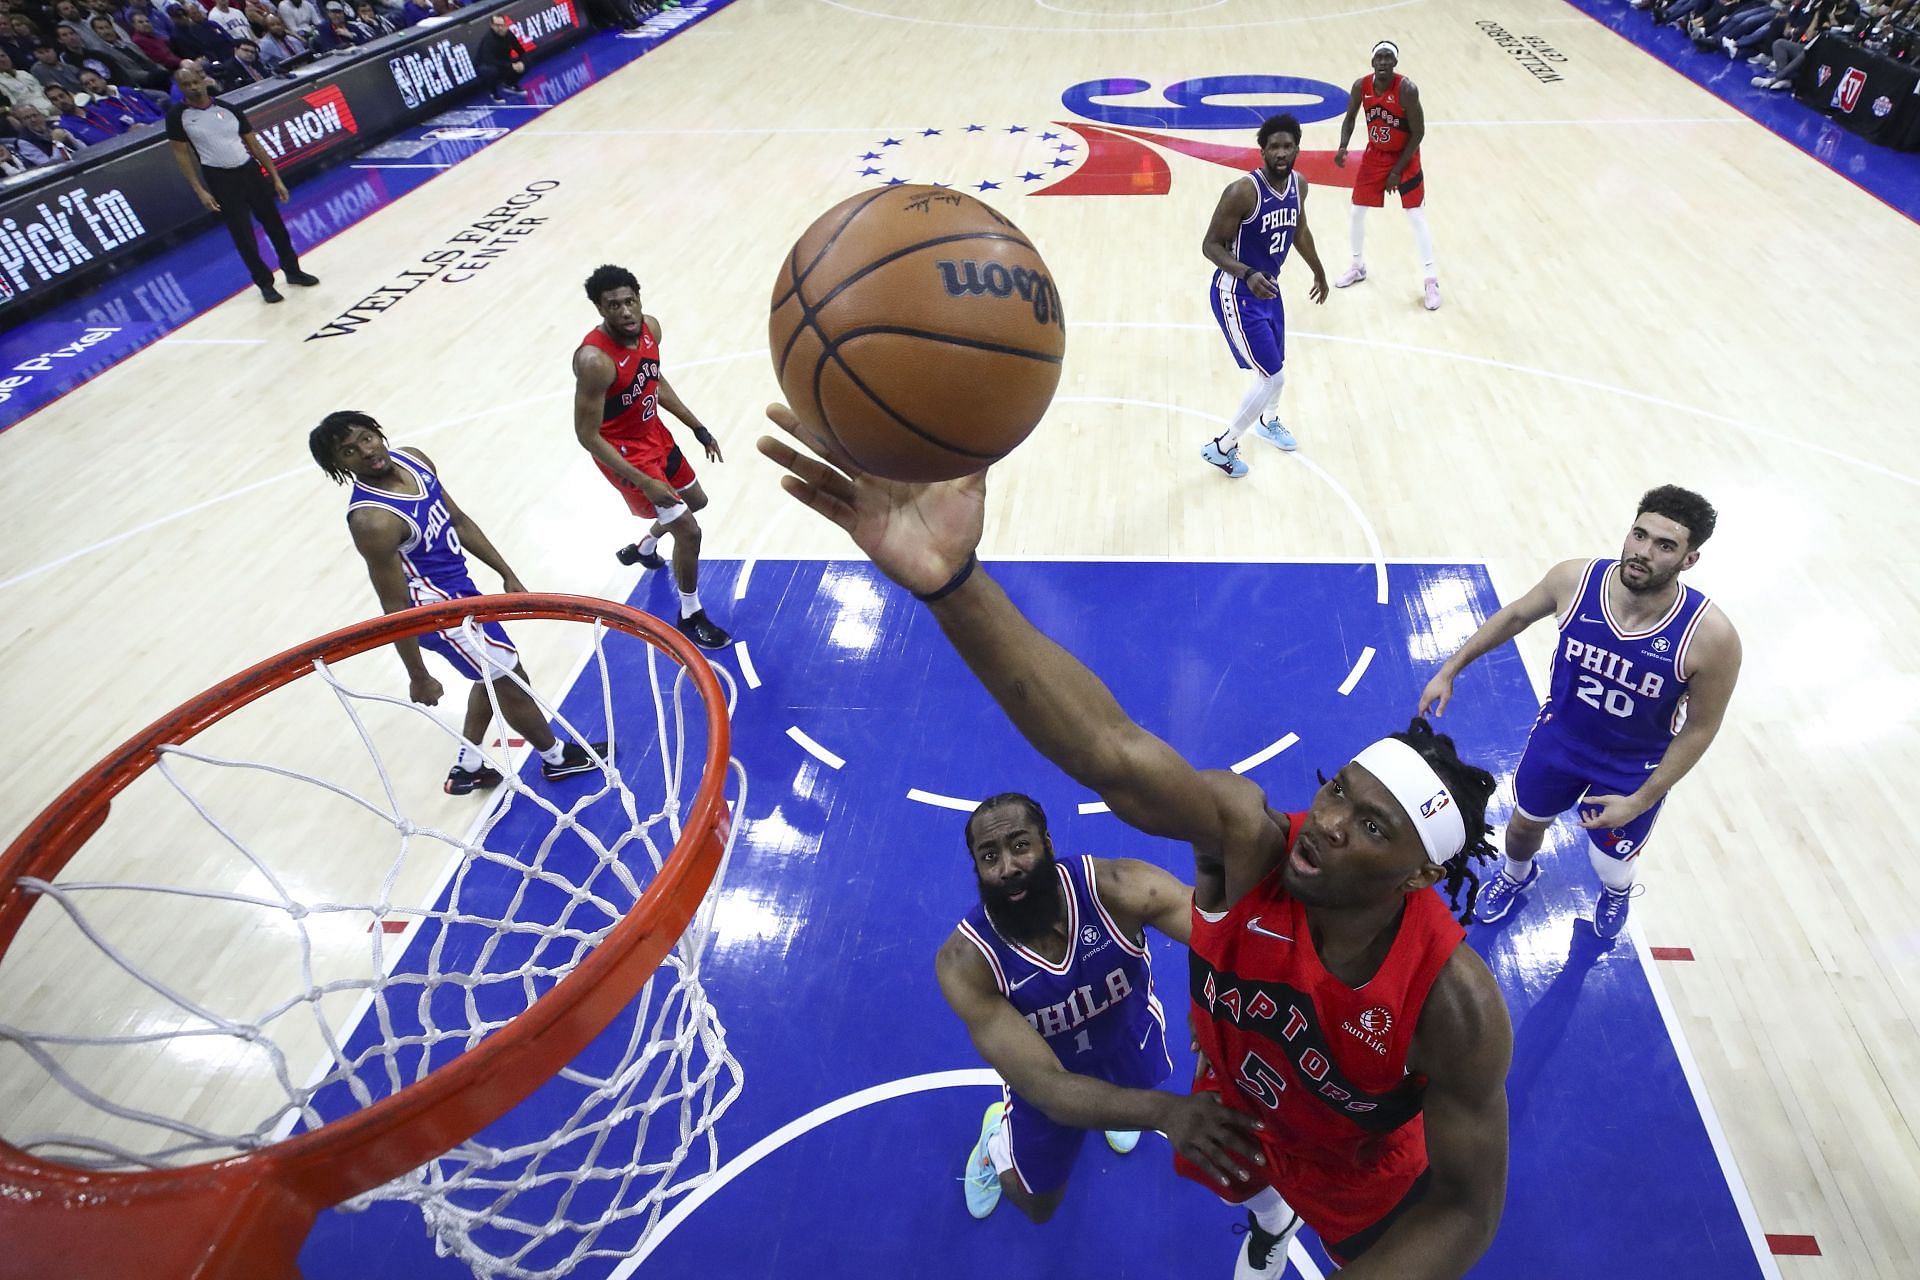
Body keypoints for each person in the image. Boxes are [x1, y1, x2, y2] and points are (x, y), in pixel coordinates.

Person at [758, 409, 1513, 1280]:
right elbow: (1108, 751)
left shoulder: (1454, 1007)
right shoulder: (1252, 841)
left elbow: (1465, 1209)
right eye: (1339, 789)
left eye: (1372, 827)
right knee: (1235, 1178)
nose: (1332, 822)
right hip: (1237, 1101)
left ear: (1418, 874)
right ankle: (1270, 1225)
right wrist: (951, 583)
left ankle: (1283, 1224)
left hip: (1354, 1164)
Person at [1416, 486, 1742, 940]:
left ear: (1689, 560)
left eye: (1665, 545)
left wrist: (1641, 798)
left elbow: (1701, 728)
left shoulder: (1711, 637)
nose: (1643, 552)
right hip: (1562, 738)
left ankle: (1617, 890)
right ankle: (1515, 875)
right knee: (1523, 825)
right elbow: (1513, 616)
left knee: (1608, 858)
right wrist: (1449, 669)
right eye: (1639, 535)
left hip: (1634, 763)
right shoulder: (1575, 580)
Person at [308, 411, 609, 793]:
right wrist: (418, 675)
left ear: (379, 434)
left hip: (461, 592)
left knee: (494, 673)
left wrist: (507, 573)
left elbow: (459, 521)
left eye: (367, 439)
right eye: (349, 452)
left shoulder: (414, 459)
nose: (366, 452)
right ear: (339, 467)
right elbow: (395, 608)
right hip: (434, 613)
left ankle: (468, 766)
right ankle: (556, 758)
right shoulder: (373, 521)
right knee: (510, 677)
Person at [941, 793, 1208, 1222]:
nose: (1007, 867)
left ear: (1047, 843)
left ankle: (1116, 1109)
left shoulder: (1116, 888)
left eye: (1019, 845)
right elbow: (1048, 1089)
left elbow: (1219, 931)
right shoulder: (966, 962)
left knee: (1129, 1100)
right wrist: (1168, 1113)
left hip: (1127, 1043)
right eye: (989, 856)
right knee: (1039, 1206)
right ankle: (997, 1142)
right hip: (1050, 1078)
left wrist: (1208, 1003)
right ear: (977, 868)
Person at [572, 263, 730, 651]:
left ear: (640, 300)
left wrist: (697, 426)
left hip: (654, 434)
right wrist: (643, 480)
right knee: (689, 532)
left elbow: (653, 380)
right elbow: (586, 435)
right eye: (613, 305)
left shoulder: (650, 329)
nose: (625, 311)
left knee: (698, 501)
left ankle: (644, 547)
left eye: (630, 302)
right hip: (627, 455)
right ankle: (690, 613)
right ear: (599, 309)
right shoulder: (595, 361)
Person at [1197, 112, 1329, 478]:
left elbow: (1299, 229)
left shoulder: (1299, 185)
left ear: (1298, 149)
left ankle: (1268, 421)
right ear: (1263, 152)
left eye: (1288, 146)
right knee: (1273, 376)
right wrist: (1247, 273)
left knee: (1276, 365)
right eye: (1274, 147)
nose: (1282, 153)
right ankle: (1222, 447)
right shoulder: (1243, 192)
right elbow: (1210, 246)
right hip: (1236, 292)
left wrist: (1317, 268)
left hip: (1268, 288)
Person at [165, 62, 317, 301]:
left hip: (249, 171)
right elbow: (181, 155)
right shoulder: (178, 117)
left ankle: (293, 270)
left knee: (275, 225)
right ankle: (265, 283)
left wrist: (275, 178)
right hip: (219, 177)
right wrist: (200, 191)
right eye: (186, 85)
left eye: (195, 81)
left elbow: (254, 144)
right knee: (243, 234)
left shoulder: (228, 109)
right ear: (180, 88)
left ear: (203, 80)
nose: (193, 87)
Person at [1332, 41, 1441, 311]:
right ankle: (1357, 266)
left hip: (1405, 156)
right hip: (1375, 154)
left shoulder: (1406, 90)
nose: (1382, 62)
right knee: (1357, 211)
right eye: (1378, 57)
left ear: (1395, 63)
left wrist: (1396, 171)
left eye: (1388, 58)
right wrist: (1343, 145)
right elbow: (1349, 118)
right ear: (1372, 62)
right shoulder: (1361, 86)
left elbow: (1419, 132)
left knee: (1416, 216)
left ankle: (1430, 279)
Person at [78, 66, 165, 125]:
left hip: (161, 120)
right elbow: (133, 120)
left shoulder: (125, 90)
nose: (92, 85)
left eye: (93, 80)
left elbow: (152, 106)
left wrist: (165, 118)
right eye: (87, 84)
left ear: (102, 79)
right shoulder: (102, 108)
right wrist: (161, 122)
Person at [5, 100, 82, 165]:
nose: (33, 120)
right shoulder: (24, 142)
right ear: (22, 122)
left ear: (41, 115)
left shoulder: (55, 124)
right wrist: (56, 143)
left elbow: (79, 145)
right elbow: (49, 165)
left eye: (35, 115)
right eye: (27, 118)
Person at [44, 80, 124, 141]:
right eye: (55, 99)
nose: (61, 101)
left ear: (70, 96)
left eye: (62, 96)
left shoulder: (94, 109)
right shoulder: (65, 127)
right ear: (53, 104)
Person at [476, 11, 527, 101]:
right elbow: (489, 60)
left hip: (503, 61)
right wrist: (510, 65)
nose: (500, 28)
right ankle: (493, 92)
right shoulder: (489, 40)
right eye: (497, 25)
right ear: (491, 25)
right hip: (485, 64)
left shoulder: (508, 34)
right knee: (491, 70)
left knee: (527, 62)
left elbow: (520, 50)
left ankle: (510, 84)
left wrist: (521, 62)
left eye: (502, 25)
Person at [0, 46, 54, 114]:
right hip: (38, 114)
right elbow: (15, 107)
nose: (2, 60)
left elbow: (41, 89)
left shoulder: (23, 73)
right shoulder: (1, 83)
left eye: (3, 56)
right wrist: (47, 112)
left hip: (52, 103)